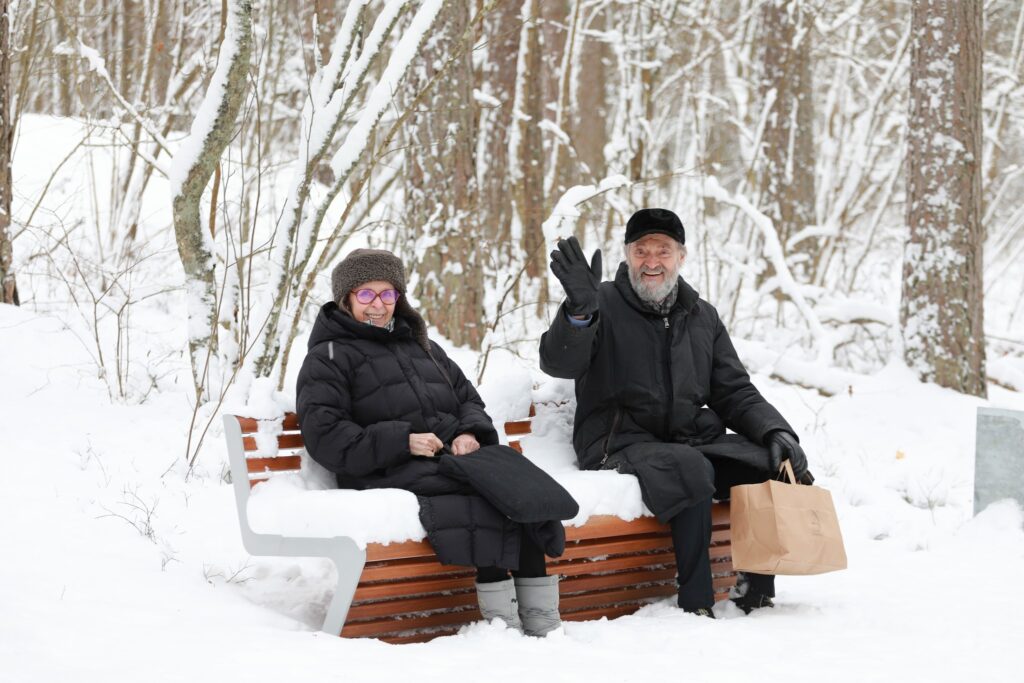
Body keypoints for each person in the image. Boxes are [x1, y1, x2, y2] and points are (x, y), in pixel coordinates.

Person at [539, 208, 812, 617]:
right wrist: (579, 312)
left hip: (683, 440)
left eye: (662, 251)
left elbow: (734, 390)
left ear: (681, 256)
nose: (651, 262)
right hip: (615, 442)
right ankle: (696, 602)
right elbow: (559, 363)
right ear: (627, 254)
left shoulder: (701, 316)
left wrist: (776, 432)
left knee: (766, 461)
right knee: (689, 466)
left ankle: (754, 590)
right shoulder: (603, 304)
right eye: (641, 250)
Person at [297, 248, 578, 636]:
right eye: (366, 295)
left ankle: (542, 620)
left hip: (450, 460)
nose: (378, 305)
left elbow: (469, 400)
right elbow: (325, 437)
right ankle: (504, 626)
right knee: (489, 498)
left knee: (523, 491)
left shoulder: (421, 345)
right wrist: (403, 442)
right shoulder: (327, 358)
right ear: (346, 300)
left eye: (387, 294)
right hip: (384, 467)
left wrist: (468, 434)